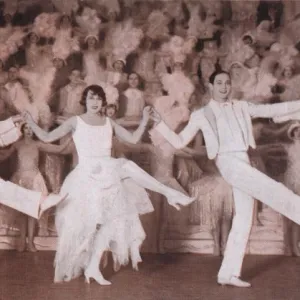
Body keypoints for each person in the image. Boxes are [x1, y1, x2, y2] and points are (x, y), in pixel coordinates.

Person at [23, 84, 194, 285]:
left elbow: (133, 138)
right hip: (86, 177)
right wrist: (30, 123)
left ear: (103, 102)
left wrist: (145, 120)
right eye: (90, 98)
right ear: (84, 101)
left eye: (98, 99)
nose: (94, 102)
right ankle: (86, 266)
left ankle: (94, 268)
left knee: (111, 219)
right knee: (86, 226)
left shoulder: (108, 123)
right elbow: (47, 137)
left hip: (108, 172)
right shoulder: (75, 121)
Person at [150, 69, 300, 288]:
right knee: (275, 190)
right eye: (219, 83)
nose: (224, 86)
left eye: (227, 83)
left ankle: (228, 273)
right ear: (211, 86)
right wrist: (161, 124)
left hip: (243, 160)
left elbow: (272, 109)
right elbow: (180, 141)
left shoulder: (241, 106)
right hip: (228, 163)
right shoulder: (201, 114)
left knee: (243, 218)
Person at [0, 115, 66, 221]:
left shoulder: (36, 144)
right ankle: (41, 201)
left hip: (32, 175)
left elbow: (2, 136)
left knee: (4, 190)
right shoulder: (18, 145)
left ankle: (41, 201)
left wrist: (16, 124)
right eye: (26, 128)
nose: (28, 130)